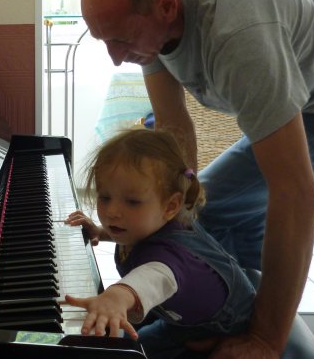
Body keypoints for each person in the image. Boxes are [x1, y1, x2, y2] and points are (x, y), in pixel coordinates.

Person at [79, 0, 314, 358]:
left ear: (166, 6)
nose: (116, 58)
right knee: (186, 217)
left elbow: (297, 197)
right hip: (297, 96)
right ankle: (212, 319)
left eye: (121, 39)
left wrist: (265, 340)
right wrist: (154, 210)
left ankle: (258, 337)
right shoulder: (155, 9)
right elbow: (173, 128)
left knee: (202, 213)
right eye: (104, 40)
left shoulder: (239, 38)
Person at [65, 128, 256, 358]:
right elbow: (133, 238)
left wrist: (116, 296)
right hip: (187, 306)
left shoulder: (167, 261)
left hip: (225, 321)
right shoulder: (148, 223)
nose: (112, 211)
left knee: (138, 347)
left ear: (170, 206)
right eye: (105, 197)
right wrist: (98, 231)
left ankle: (209, 340)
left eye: (132, 202)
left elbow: (151, 279)